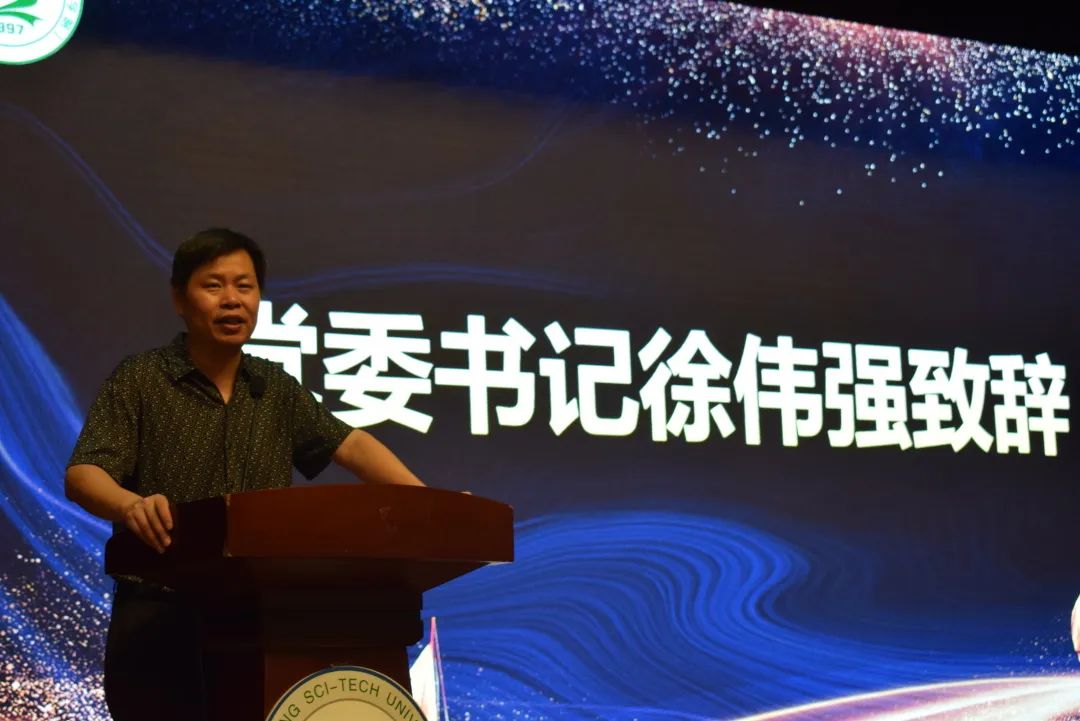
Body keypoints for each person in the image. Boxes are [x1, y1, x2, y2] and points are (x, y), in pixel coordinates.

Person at [64, 228, 425, 721]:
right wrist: (130, 505)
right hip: (158, 615)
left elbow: (350, 443)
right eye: (213, 285)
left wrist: (425, 500)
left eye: (245, 286)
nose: (232, 300)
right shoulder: (142, 378)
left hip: (258, 620)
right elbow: (85, 472)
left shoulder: (273, 386)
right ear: (179, 298)